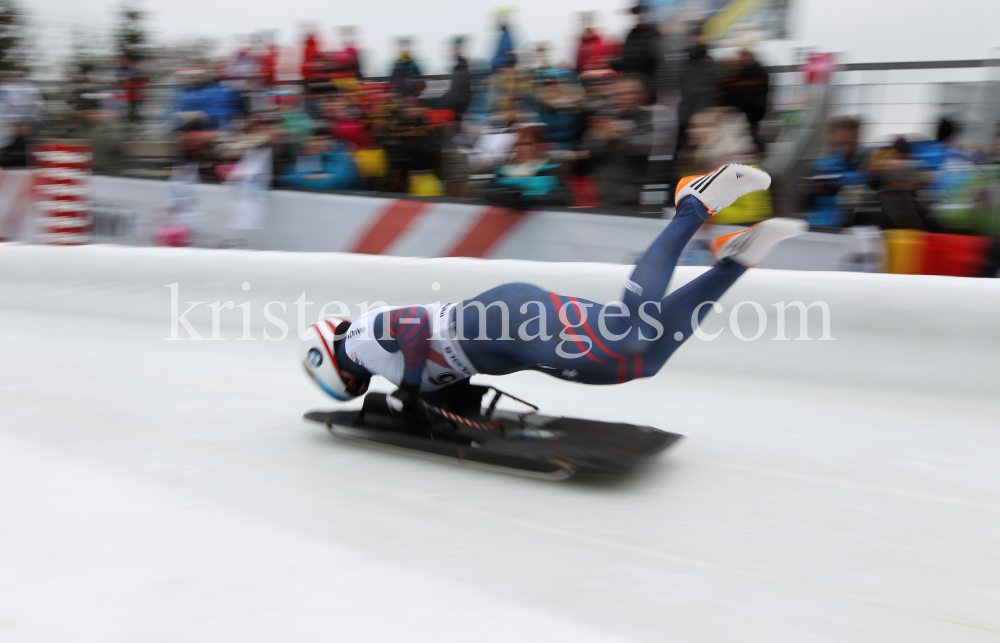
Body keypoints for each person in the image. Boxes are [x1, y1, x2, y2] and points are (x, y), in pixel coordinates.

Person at [301, 163, 807, 410]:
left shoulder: (361, 342)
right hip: (515, 341)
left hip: (504, 318)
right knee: (639, 362)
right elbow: (448, 377)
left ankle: (692, 204)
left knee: (629, 334)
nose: (358, 385)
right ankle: (734, 262)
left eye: (352, 384)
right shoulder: (382, 370)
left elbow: (411, 327)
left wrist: (411, 393)